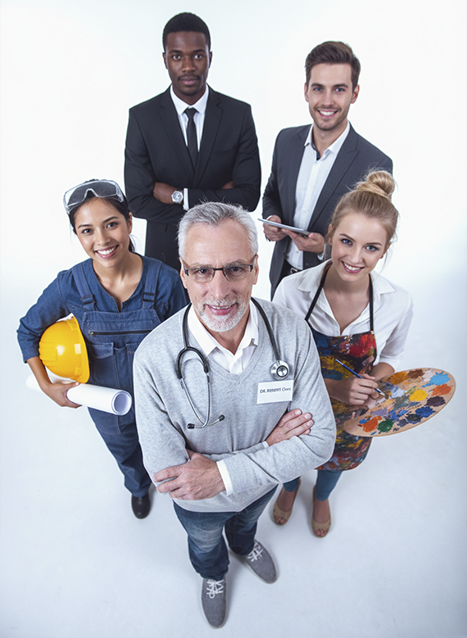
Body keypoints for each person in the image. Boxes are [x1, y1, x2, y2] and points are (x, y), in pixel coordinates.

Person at [133, 202, 335, 627]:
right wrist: (270, 448)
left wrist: (221, 474)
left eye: (235, 269)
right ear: (183, 273)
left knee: (247, 525)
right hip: (202, 506)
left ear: (256, 268)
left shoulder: (291, 331)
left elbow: (320, 443)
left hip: (260, 490)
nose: (220, 290)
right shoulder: (153, 358)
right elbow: (170, 477)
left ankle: (243, 546)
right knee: (205, 546)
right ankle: (214, 574)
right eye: (202, 271)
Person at [17, 179, 186, 519]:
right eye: (87, 231)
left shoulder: (166, 280)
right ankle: (138, 487)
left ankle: (170, 483)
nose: (102, 240)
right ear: (77, 236)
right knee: (125, 453)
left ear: (129, 222)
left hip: (161, 400)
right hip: (106, 404)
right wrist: (47, 386)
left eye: (111, 224)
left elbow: (188, 342)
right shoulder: (70, 285)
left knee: (167, 448)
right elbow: (28, 331)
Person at [271, 171, 413, 536]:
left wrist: (369, 385)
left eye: (371, 248)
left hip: (352, 418)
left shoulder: (397, 302)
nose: (354, 257)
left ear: (385, 248)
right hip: (295, 407)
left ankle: (321, 496)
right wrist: (334, 387)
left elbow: (391, 357)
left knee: (336, 462)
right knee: (289, 455)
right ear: (331, 233)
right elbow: (273, 364)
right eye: (346, 241)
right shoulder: (292, 291)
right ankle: (290, 487)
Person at [124, 12, 261, 272]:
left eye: (197, 56)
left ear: (210, 57)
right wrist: (219, 201)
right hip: (164, 259)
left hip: (224, 256)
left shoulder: (238, 114)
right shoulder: (143, 117)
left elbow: (248, 196)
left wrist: (179, 196)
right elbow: (138, 201)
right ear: (165, 59)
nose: (188, 66)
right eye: (177, 56)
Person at [262, 41, 393, 296]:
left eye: (339, 89)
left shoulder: (375, 164)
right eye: (318, 88)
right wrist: (272, 218)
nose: (327, 101)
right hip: (281, 279)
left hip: (333, 287)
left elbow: (371, 241)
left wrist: (326, 248)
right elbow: (272, 193)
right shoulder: (285, 141)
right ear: (306, 91)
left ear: (354, 94)